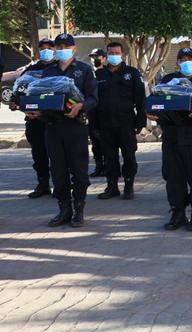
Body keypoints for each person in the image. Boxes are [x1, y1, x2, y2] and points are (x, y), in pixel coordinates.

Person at [35, 34, 98, 228]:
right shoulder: (48, 71)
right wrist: (34, 110)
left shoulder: (84, 70)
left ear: (74, 48)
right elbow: (40, 96)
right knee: (58, 171)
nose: (61, 49)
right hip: (53, 127)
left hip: (75, 127)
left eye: (65, 46)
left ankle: (79, 210)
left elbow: (93, 98)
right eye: (58, 46)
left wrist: (80, 106)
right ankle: (64, 209)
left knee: (79, 171)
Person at [149, 47, 192, 232]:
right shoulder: (169, 80)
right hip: (172, 136)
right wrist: (153, 112)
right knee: (173, 177)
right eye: (182, 58)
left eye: (190, 58)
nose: (186, 61)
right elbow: (157, 98)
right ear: (177, 62)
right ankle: (177, 212)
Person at [94, 42, 146, 201]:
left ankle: (129, 186)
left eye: (116, 52)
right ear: (106, 55)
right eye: (111, 52)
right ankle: (112, 186)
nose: (114, 55)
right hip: (105, 123)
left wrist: (140, 121)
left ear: (122, 54)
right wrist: (94, 125)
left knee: (129, 156)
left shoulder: (132, 73)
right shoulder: (99, 75)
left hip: (126, 122)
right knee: (109, 157)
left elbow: (140, 99)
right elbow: (93, 101)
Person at [9, 38, 56, 199]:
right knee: (39, 154)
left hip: (56, 120)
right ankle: (43, 184)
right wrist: (16, 103)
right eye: (42, 48)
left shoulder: (61, 69)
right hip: (34, 120)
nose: (46, 51)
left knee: (58, 155)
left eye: (49, 48)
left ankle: (60, 186)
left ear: (54, 50)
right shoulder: (30, 70)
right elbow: (19, 92)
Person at [87, 48, 107, 177]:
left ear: (104, 58)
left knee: (106, 142)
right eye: (93, 57)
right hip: (92, 114)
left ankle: (108, 167)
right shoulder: (89, 74)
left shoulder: (107, 74)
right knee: (95, 143)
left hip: (105, 114)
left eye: (97, 57)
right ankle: (98, 167)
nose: (95, 60)